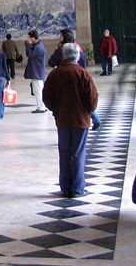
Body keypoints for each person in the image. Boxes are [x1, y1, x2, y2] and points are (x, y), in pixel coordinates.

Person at [42, 43, 98, 198]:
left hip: (62, 120)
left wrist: (56, 109)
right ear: (78, 56)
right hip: (80, 120)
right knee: (78, 153)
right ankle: (78, 188)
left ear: (63, 56)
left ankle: (65, 187)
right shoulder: (83, 73)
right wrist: (88, 110)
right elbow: (92, 99)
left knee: (65, 153)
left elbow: (46, 97)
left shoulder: (55, 74)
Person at [24, 30, 48, 113]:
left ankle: (41, 107)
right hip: (38, 71)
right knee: (39, 90)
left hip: (37, 71)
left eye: (30, 38)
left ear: (33, 38)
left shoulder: (38, 47)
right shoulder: (38, 46)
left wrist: (28, 45)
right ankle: (42, 106)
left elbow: (29, 55)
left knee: (37, 90)